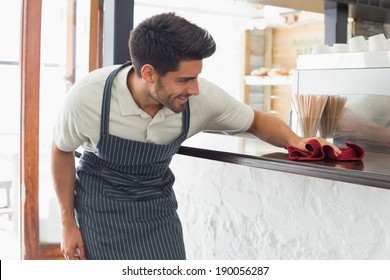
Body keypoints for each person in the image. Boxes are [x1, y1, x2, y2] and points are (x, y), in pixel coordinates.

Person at [51, 12, 340, 260]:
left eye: (196, 77)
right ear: (149, 73)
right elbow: (61, 149)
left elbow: (256, 121)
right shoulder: (90, 95)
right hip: (99, 213)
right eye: (184, 79)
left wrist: (297, 140)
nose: (195, 89)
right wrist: (67, 223)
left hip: (157, 213)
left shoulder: (199, 99)